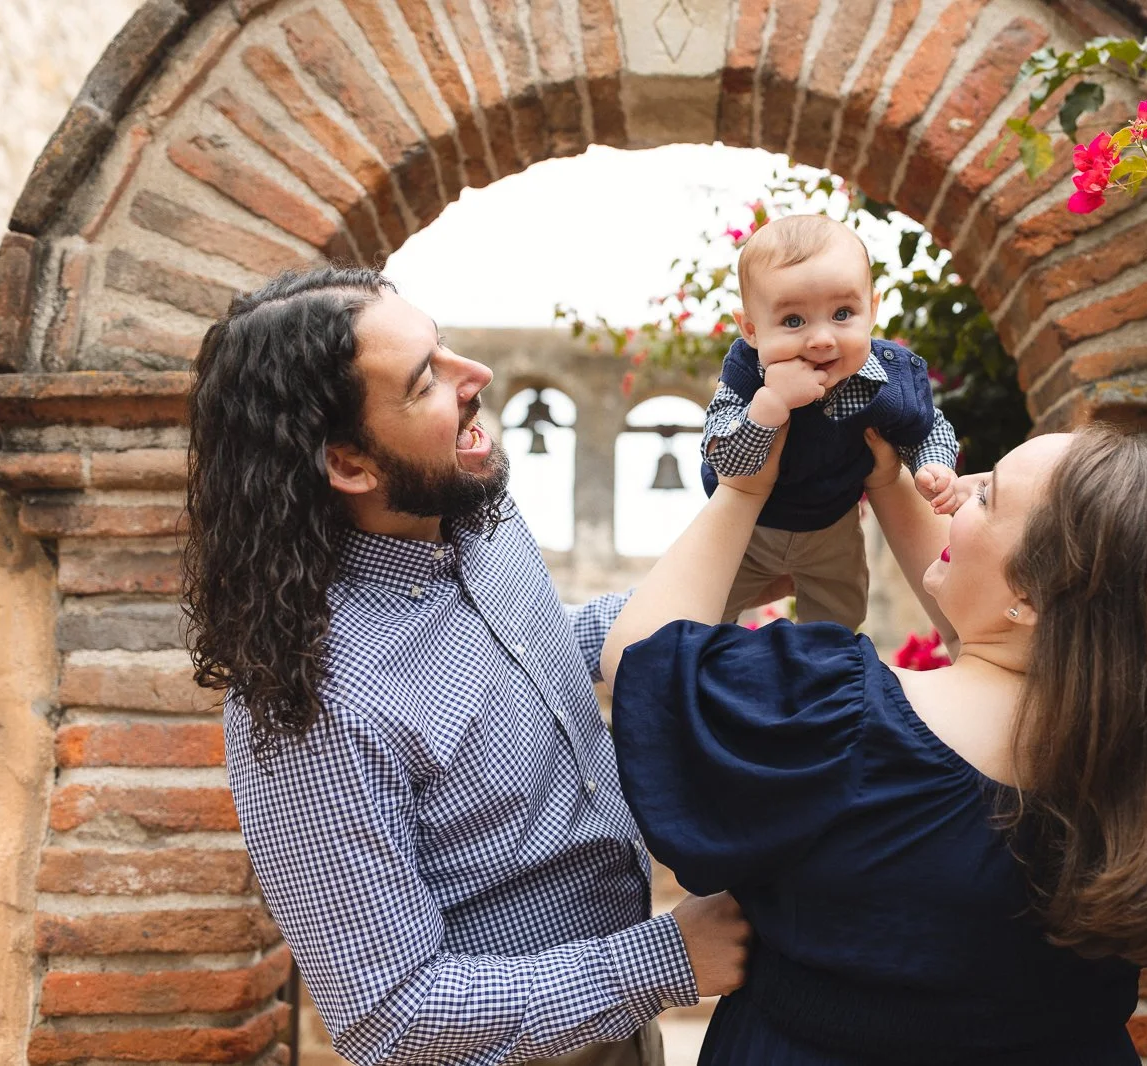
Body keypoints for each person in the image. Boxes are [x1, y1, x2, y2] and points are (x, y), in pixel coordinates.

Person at [181, 267, 750, 1066]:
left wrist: (727, 577)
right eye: (425, 382)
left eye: (442, 345)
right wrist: (665, 960)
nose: (474, 375)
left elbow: (552, 647)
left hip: (620, 1027)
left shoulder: (474, 519)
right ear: (349, 464)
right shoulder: (309, 701)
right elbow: (390, 1017)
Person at [601, 423, 1147, 1065]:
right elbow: (1001, 640)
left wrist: (743, 489)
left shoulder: (834, 716)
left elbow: (642, 658)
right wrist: (890, 480)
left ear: (1033, 598)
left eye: (989, 494)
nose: (962, 493)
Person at [698, 214, 960, 628]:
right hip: (749, 531)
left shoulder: (888, 377)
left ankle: (821, 673)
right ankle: (710, 673)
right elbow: (725, 461)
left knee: (840, 617)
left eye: (842, 313)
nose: (822, 339)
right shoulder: (747, 375)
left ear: (871, 310)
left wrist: (933, 464)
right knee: (702, 612)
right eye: (793, 321)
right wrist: (769, 405)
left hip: (831, 528)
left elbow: (927, 427)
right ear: (751, 329)